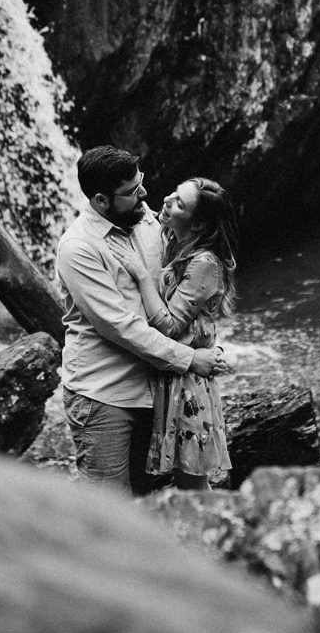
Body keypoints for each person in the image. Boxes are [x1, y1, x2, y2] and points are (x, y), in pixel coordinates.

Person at [54, 146, 229, 495]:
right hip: (105, 395)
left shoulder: (147, 221)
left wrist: (203, 334)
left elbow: (183, 291)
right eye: (133, 191)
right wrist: (190, 359)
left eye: (141, 183)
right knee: (110, 509)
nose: (145, 195)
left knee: (152, 504)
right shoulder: (79, 248)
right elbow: (121, 327)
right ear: (101, 200)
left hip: (158, 391)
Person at [121, 177, 237, 490]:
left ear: (197, 225)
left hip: (188, 387)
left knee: (193, 486)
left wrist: (143, 277)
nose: (168, 200)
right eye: (173, 192)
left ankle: (220, 537)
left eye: (179, 203)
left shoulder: (204, 263)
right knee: (186, 484)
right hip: (173, 378)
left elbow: (170, 325)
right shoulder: (177, 245)